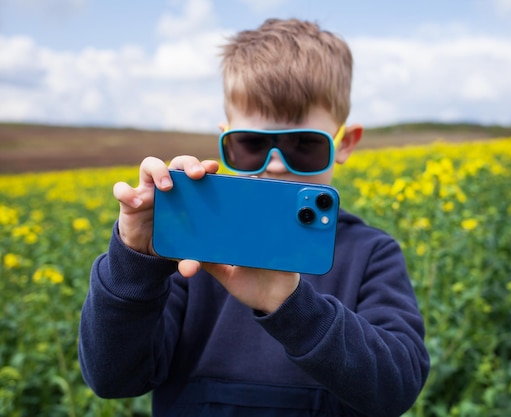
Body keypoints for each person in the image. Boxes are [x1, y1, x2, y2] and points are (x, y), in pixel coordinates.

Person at [78, 18, 429, 417]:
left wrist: (291, 306)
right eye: (251, 145)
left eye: (303, 146)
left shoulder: (371, 253)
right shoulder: (193, 246)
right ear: (225, 139)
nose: (275, 165)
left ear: (344, 144)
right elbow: (113, 379)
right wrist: (135, 259)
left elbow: (396, 388)